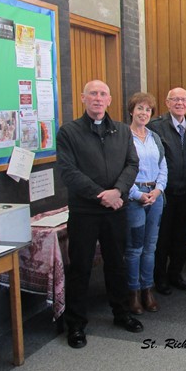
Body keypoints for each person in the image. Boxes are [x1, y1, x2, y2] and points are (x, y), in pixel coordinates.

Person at [56, 80, 142, 349]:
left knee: (117, 263)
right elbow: (68, 172)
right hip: (84, 211)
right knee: (80, 267)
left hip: (116, 209)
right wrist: (101, 195)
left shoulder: (122, 132)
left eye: (103, 94)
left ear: (110, 99)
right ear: (83, 98)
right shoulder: (68, 132)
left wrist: (117, 191)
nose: (97, 98)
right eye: (92, 93)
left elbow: (132, 163)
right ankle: (76, 325)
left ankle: (121, 313)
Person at [148, 87, 186, 295]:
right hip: (164, 192)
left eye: (183, 100)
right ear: (167, 102)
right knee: (162, 237)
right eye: (175, 100)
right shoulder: (156, 127)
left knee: (181, 236)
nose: (180, 103)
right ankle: (159, 277)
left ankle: (176, 274)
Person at [126, 92, 168, 315]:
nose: (143, 113)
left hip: (155, 196)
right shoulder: (123, 137)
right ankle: (132, 293)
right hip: (134, 198)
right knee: (134, 249)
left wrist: (158, 190)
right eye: (139, 108)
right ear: (131, 110)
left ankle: (147, 289)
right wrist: (136, 194)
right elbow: (120, 170)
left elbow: (163, 166)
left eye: (148, 110)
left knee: (150, 247)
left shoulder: (154, 137)